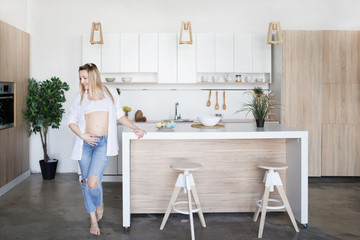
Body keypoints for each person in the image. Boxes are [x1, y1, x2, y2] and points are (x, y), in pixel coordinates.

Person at [68, 63, 146, 235]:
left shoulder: (109, 92)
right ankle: (93, 220)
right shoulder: (81, 97)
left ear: (94, 76)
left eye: (85, 78)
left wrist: (135, 128)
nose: (82, 82)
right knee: (85, 183)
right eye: (80, 78)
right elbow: (71, 121)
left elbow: (119, 115)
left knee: (92, 183)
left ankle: (100, 203)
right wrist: (83, 136)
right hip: (85, 143)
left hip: (103, 143)